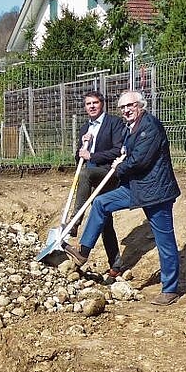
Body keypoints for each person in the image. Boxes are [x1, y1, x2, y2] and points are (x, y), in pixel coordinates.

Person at [63, 90, 181, 306]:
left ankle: (170, 289)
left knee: (164, 240)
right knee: (100, 202)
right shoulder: (131, 128)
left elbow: (139, 161)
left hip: (156, 192)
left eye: (131, 106)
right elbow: (126, 153)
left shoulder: (149, 127)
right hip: (136, 187)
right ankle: (83, 251)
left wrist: (119, 165)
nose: (126, 110)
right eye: (123, 107)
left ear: (140, 106)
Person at [69, 90, 126, 280]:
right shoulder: (85, 127)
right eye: (88, 104)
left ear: (102, 104)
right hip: (92, 174)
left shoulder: (114, 123)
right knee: (103, 217)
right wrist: (82, 147)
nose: (91, 106)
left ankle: (75, 220)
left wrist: (92, 156)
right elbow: (79, 157)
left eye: (95, 103)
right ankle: (116, 264)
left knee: (86, 173)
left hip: (109, 172)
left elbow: (118, 150)